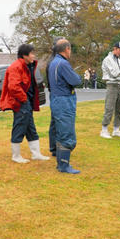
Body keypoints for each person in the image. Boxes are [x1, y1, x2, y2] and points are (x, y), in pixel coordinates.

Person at [0, 43, 49, 163]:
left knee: (30, 127)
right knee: (20, 126)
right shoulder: (16, 67)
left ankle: (36, 154)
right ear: (24, 55)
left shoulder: (29, 65)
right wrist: (24, 99)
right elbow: (13, 87)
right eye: (32, 53)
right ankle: (16, 156)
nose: (34, 55)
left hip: (27, 101)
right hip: (20, 102)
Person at [48, 38, 82, 173]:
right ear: (67, 49)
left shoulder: (54, 62)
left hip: (57, 99)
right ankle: (63, 165)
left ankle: (60, 161)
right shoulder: (63, 64)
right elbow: (75, 80)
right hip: (64, 100)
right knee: (66, 132)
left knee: (59, 129)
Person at [100, 41, 120, 138]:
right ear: (114, 48)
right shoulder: (107, 59)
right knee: (109, 108)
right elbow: (114, 74)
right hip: (111, 85)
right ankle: (104, 130)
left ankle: (116, 129)